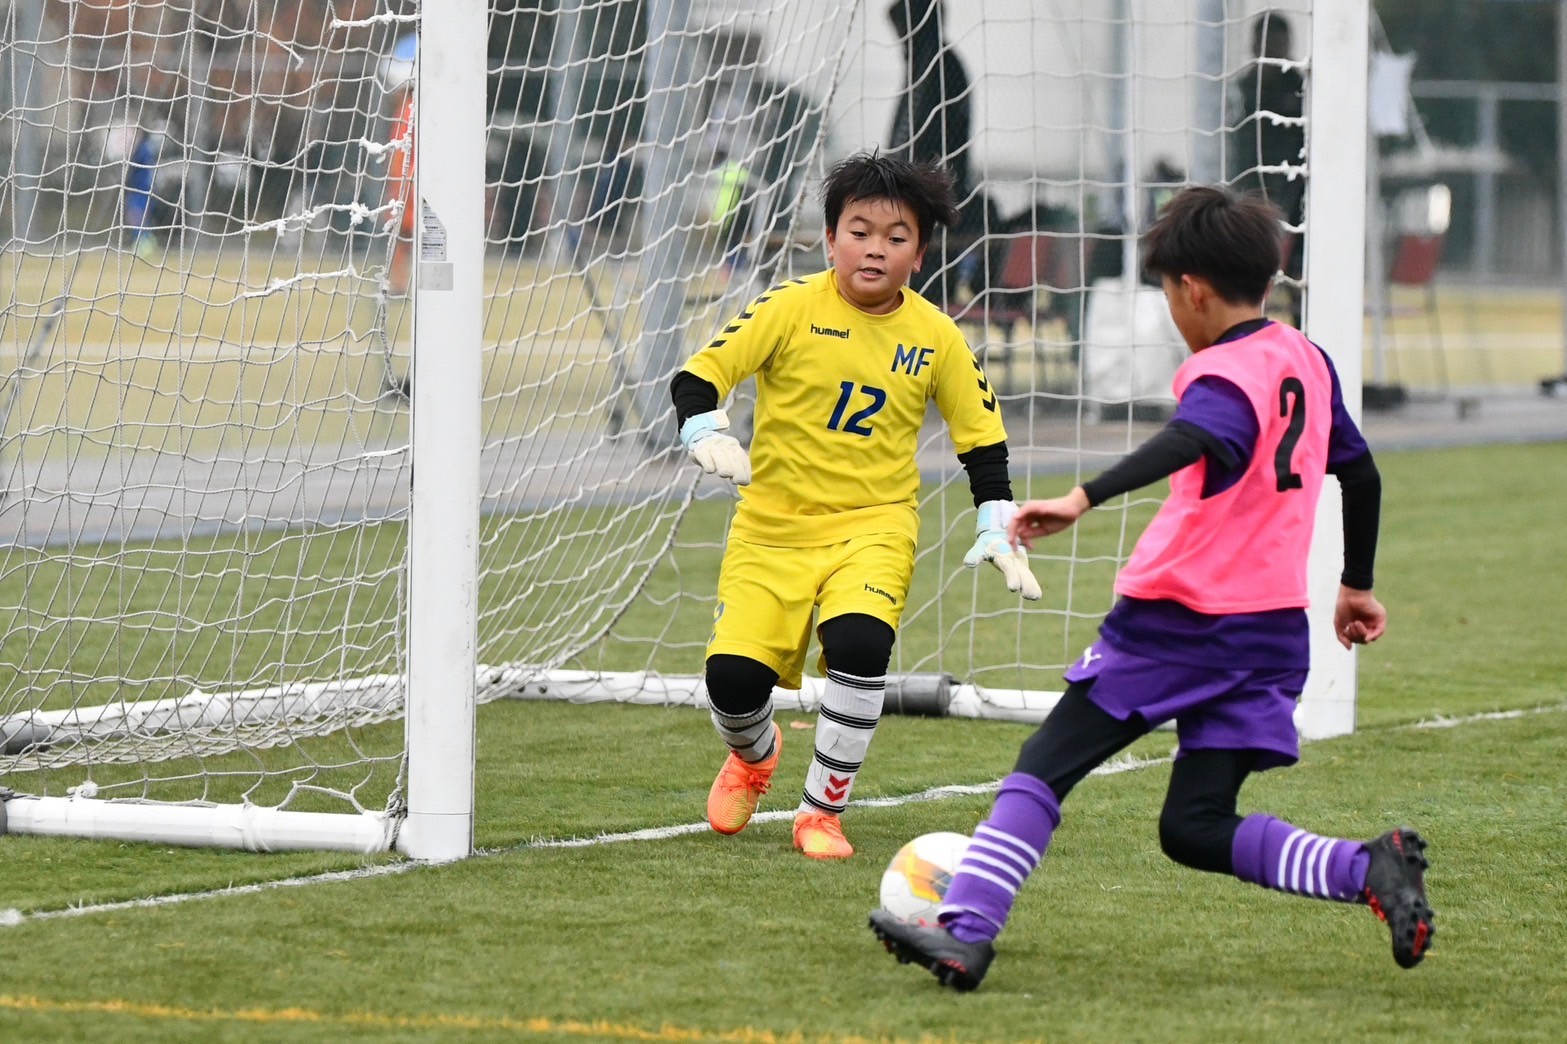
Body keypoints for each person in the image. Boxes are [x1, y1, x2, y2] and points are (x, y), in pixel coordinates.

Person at [868, 186, 1434, 989]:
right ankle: (1366, 867)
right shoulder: (1305, 361)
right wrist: (1356, 586)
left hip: (1178, 620)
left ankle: (963, 931)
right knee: (1193, 825)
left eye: (1167, 293)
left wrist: (1082, 496)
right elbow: (1362, 473)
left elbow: (1196, 434)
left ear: (1191, 289)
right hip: (1270, 633)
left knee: (1042, 765)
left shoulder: (1222, 372)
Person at [670, 152, 1042, 861]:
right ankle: (753, 756)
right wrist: (702, 428)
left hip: (874, 526)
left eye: (896, 237)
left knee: (862, 646)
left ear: (919, 253)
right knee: (732, 683)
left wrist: (995, 520)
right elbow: (701, 372)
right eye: (859, 231)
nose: (875, 249)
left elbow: (982, 438)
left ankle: (821, 813)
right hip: (772, 528)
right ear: (830, 238)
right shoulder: (788, 306)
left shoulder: (936, 336)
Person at [1229, 12, 1305, 322]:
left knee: (1298, 276)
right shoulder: (1242, 90)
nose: (1273, 49)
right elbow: (1237, 149)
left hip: (1296, 201)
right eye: (1266, 43)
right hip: (1252, 201)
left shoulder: (1301, 90)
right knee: (1247, 277)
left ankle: (1303, 330)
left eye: (1278, 42)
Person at [380, 34, 418, 295]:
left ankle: (400, 283)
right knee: (402, 233)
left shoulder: (409, 108)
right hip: (407, 180)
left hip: (409, 181)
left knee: (404, 232)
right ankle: (400, 283)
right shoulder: (408, 107)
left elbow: (403, 152)